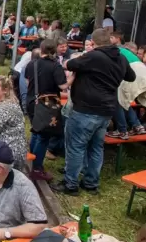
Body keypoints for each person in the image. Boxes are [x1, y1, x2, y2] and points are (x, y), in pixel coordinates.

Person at [52, 28, 136, 195]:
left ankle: (71, 184)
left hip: (86, 109)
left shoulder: (94, 56)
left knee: (76, 147)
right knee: (96, 148)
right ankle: (91, 183)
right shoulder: (120, 56)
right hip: (106, 111)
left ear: (95, 42)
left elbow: (67, 64)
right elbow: (131, 77)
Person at [25, 40, 67, 181]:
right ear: (54, 51)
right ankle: (37, 168)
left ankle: (31, 160)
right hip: (47, 104)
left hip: (31, 101)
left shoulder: (32, 63)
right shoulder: (55, 66)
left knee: (35, 131)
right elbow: (63, 86)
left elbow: (27, 82)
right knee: (44, 136)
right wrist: (73, 77)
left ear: (41, 50)